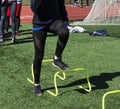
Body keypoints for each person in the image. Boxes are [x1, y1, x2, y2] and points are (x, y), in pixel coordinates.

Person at [30, 0, 69, 96]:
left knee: (64, 31)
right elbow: (35, 9)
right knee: (39, 56)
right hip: (39, 23)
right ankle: (36, 84)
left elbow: (61, 4)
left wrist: (65, 19)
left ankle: (57, 59)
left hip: (54, 21)